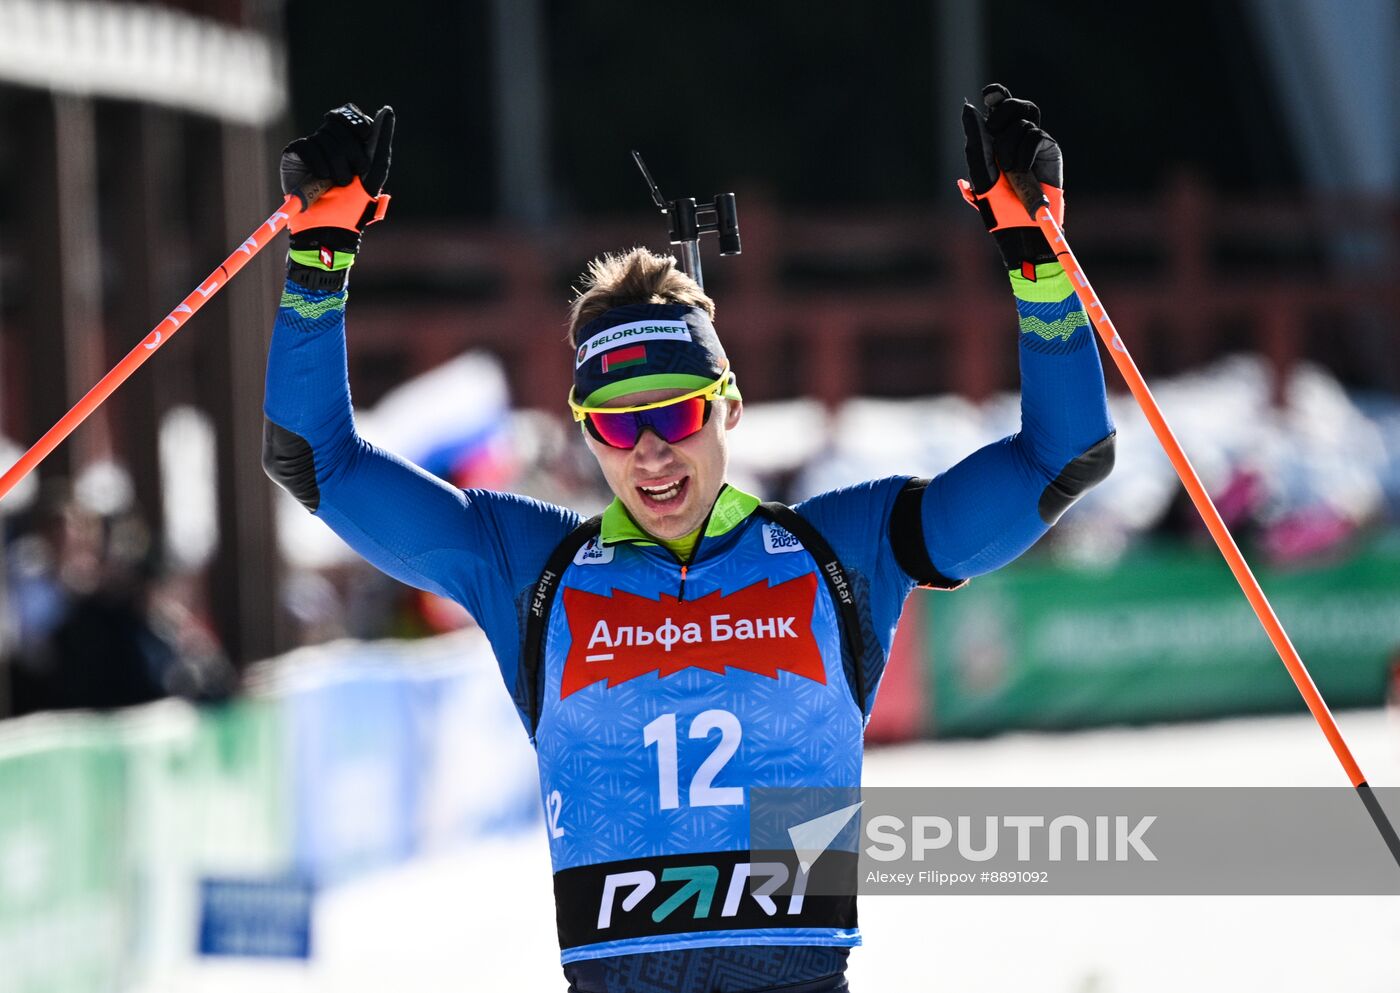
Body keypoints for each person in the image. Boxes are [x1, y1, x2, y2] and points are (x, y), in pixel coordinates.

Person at [263, 85, 1114, 993]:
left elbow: (1061, 457)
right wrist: (320, 256)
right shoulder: (533, 571)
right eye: (617, 426)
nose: (652, 452)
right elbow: (315, 458)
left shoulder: (841, 551)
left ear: (729, 406)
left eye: (674, 411)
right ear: (586, 434)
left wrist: (1038, 260)